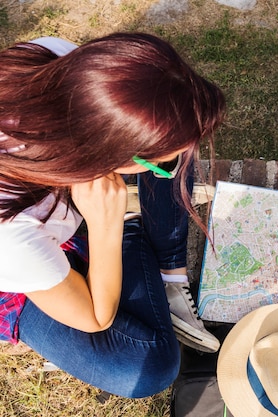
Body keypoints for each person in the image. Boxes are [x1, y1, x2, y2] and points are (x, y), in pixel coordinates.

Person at [0, 33, 226, 397]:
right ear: (109, 154)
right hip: (17, 274)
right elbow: (93, 317)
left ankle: (167, 275)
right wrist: (107, 226)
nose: (167, 166)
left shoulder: (52, 55)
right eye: (158, 163)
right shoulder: (11, 236)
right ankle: (136, 240)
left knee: (172, 124)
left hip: (56, 213)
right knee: (145, 366)